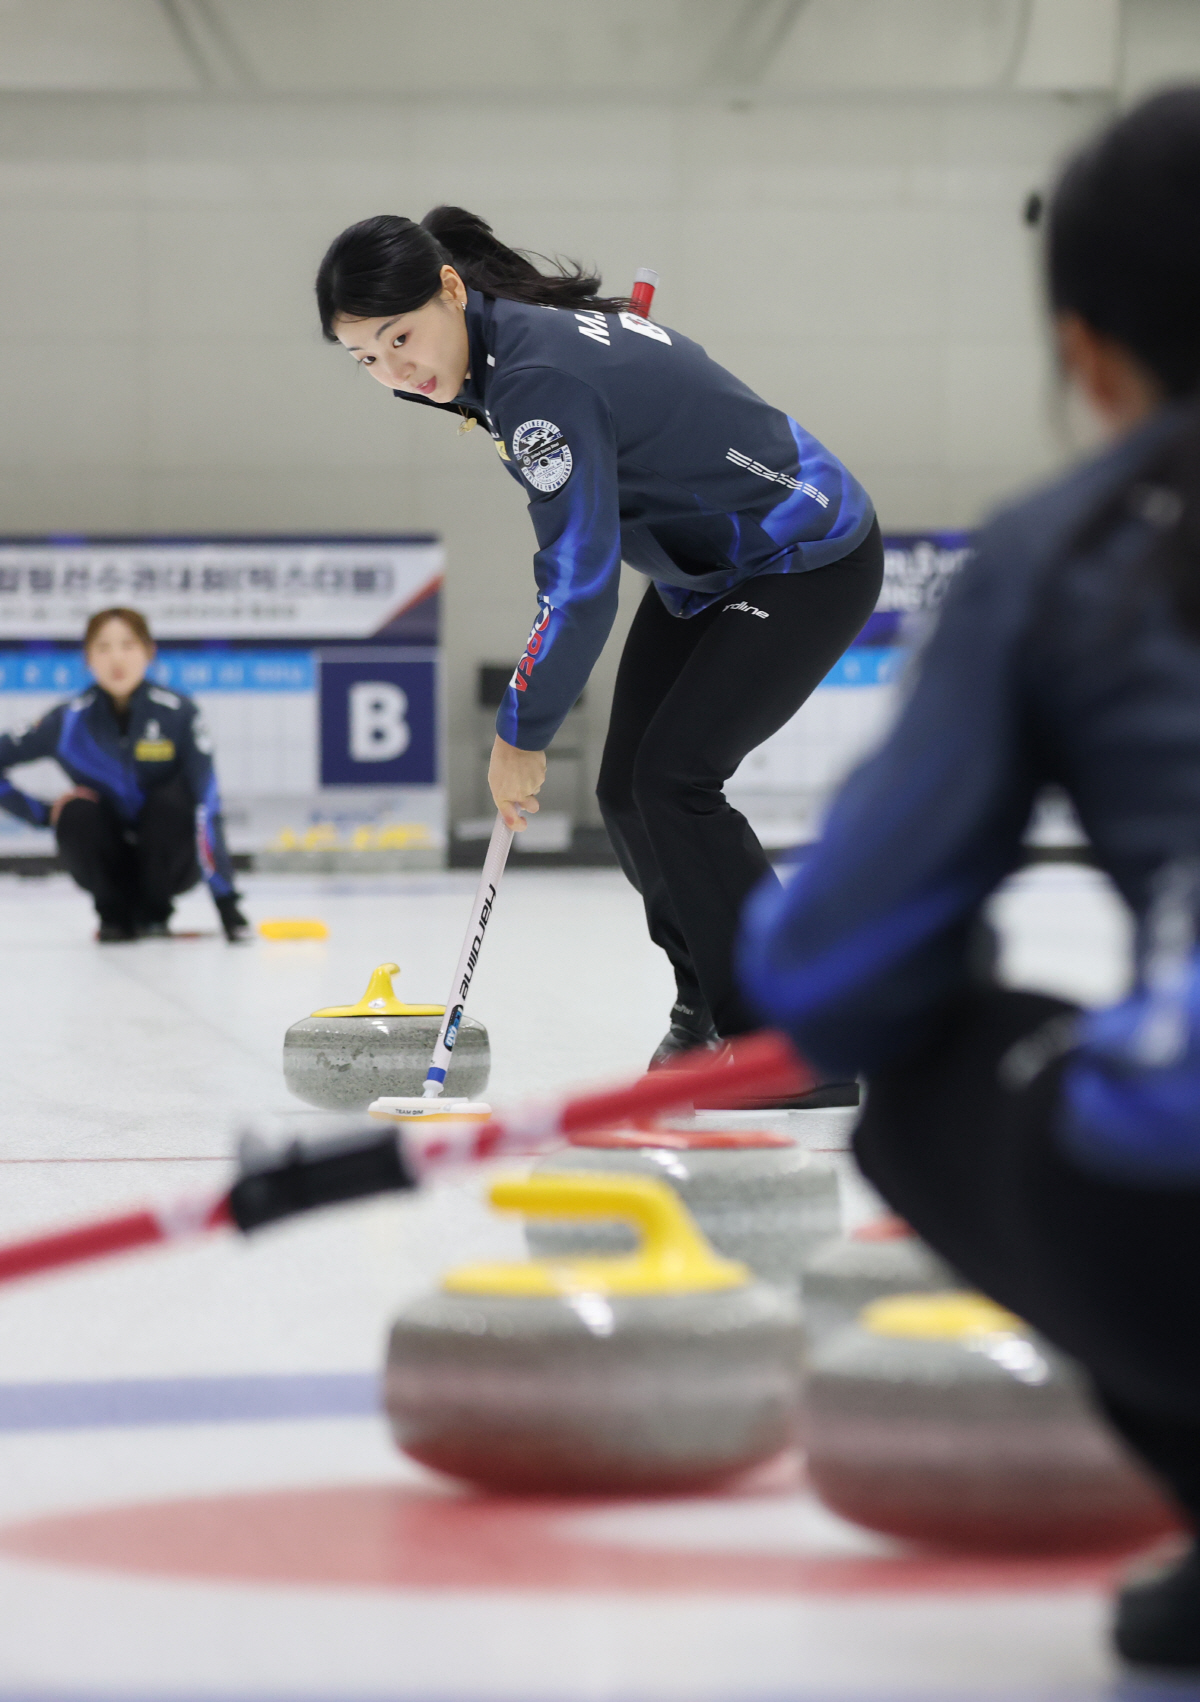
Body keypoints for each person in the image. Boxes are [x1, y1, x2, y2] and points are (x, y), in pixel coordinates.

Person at [740, 87, 1200, 1672]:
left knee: (935, 1067)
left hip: (1177, 1227)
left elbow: (840, 969)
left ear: (1087, 351)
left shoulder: (1073, 549)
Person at [316, 207, 882, 1094]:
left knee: (676, 778)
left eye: (401, 338)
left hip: (801, 557)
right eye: (365, 359)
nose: (395, 371)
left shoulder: (537, 379)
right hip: (706, 571)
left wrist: (519, 734)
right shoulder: (507, 352)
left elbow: (581, 586)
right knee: (628, 790)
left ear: (451, 290)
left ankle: (795, 1040)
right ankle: (709, 1008)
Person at [0, 608, 248, 942]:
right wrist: (44, 814)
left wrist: (227, 902)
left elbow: (208, 803)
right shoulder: (68, 722)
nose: (116, 658)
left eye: (128, 645)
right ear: (88, 658)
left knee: (172, 801)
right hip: (106, 861)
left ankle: (155, 912)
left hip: (172, 865)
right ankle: (113, 916)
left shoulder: (180, 714)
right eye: (103, 648)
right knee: (77, 811)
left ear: (149, 651)